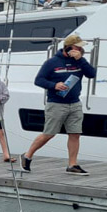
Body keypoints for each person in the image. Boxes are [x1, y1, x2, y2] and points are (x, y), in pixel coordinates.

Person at [22, 34, 96, 175]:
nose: (80, 49)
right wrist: (54, 85)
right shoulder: (52, 62)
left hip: (74, 103)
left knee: (75, 134)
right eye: (78, 47)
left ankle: (72, 164)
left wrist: (80, 60)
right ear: (69, 47)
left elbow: (91, 74)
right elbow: (38, 80)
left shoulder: (80, 61)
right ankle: (27, 155)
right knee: (49, 133)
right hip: (56, 103)